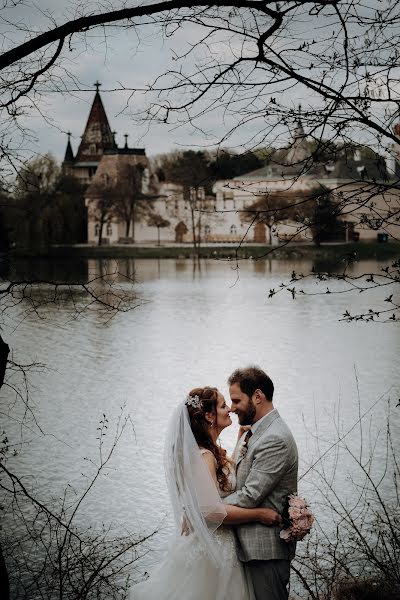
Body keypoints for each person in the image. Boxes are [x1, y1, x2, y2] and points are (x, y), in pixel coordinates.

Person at [131, 386, 282, 600]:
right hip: (213, 552)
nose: (229, 409)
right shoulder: (205, 457)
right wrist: (259, 514)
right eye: (223, 406)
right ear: (210, 416)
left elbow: (216, 488)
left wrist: (241, 438)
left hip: (218, 543)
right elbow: (211, 512)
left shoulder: (208, 452)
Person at [223, 366, 299, 600]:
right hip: (248, 550)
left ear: (258, 396)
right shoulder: (253, 432)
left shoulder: (275, 438)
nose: (232, 408)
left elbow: (249, 496)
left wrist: (210, 507)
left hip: (266, 553)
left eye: (236, 400)